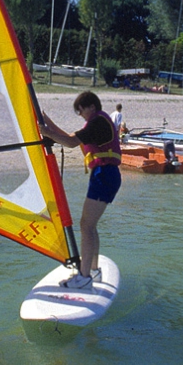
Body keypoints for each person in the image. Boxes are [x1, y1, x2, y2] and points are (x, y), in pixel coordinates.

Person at [40, 90, 121, 288]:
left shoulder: (97, 122)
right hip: (105, 175)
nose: (81, 115)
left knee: (86, 225)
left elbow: (69, 142)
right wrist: (47, 122)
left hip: (104, 174)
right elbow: (68, 137)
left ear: (91, 107)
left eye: (81, 111)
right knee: (90, 225)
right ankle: (92, 269)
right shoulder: (96, 123)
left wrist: (46, 132)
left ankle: (84, 277)